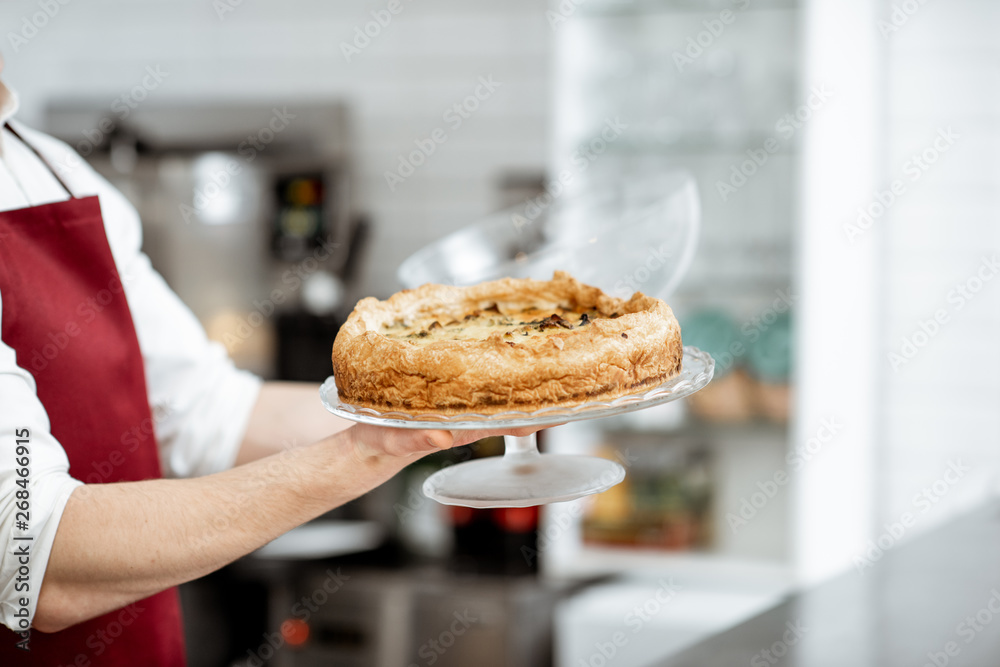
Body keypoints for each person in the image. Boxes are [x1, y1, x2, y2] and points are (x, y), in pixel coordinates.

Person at [0, 60, 532, 665]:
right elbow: (36, 561)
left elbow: (208, 413)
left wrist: (454, 393)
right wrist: (373, 448)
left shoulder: (52, 168)